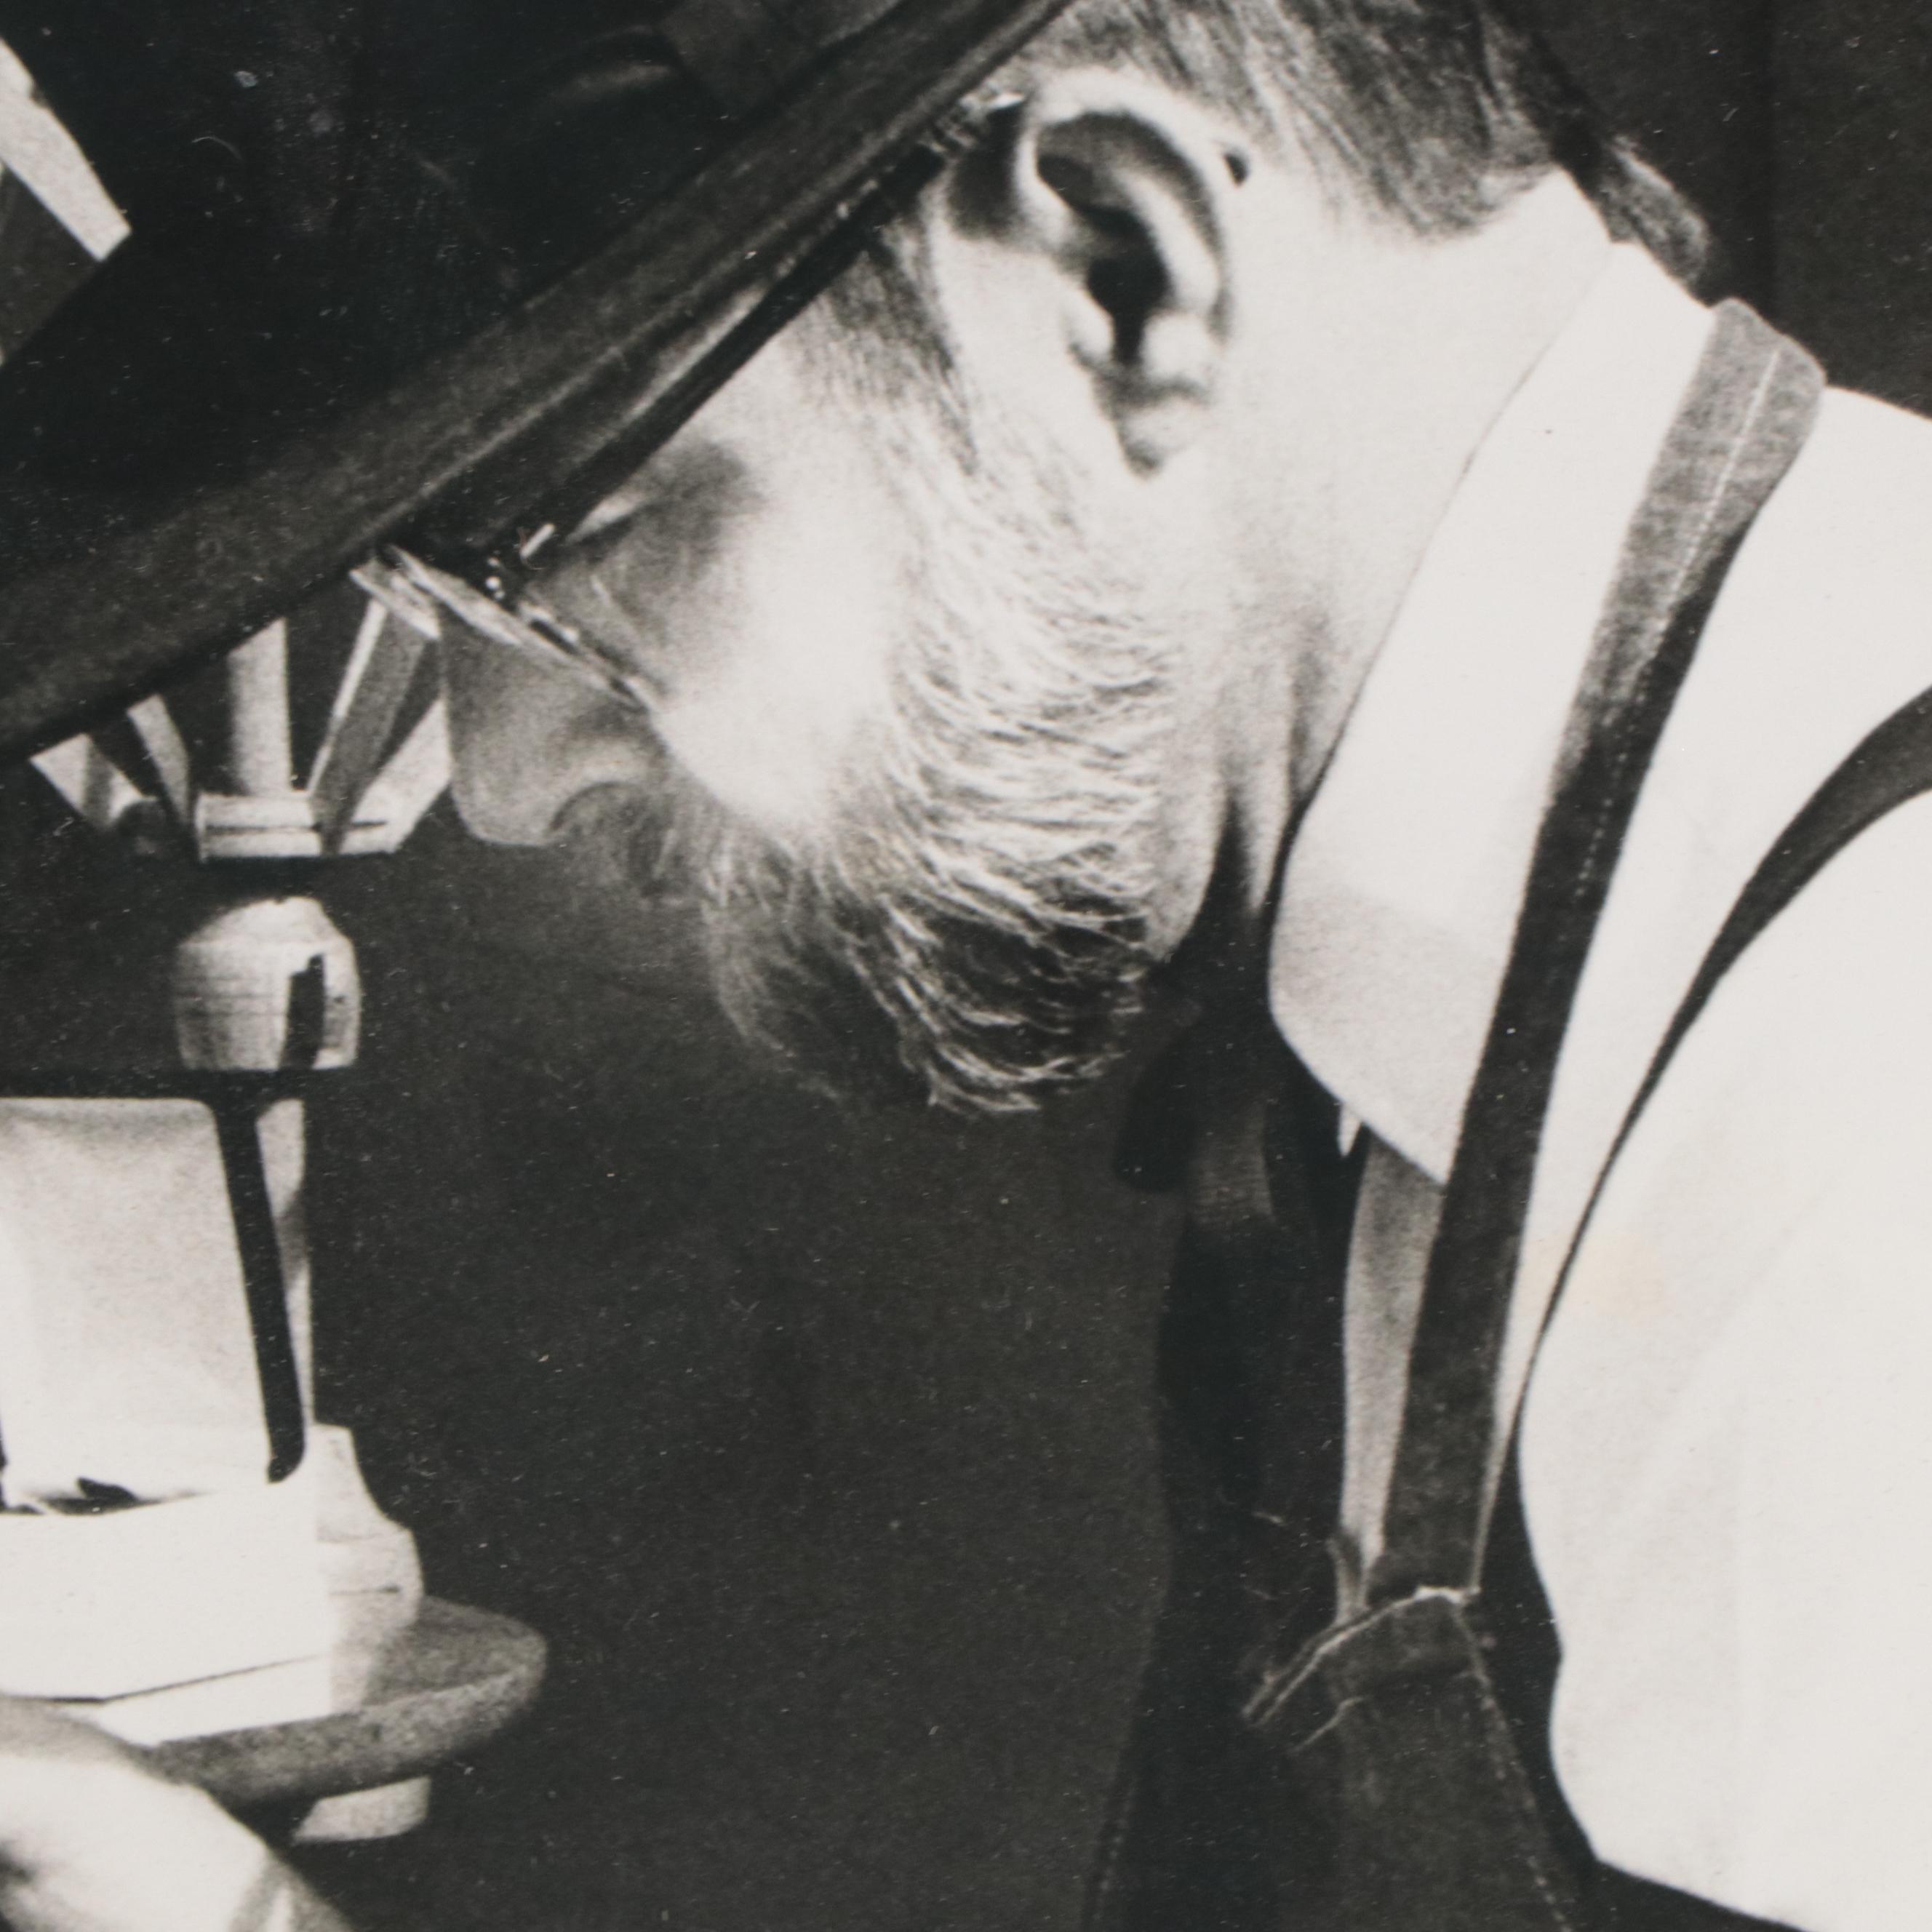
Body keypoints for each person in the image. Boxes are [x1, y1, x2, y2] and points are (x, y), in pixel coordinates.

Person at [4, 2, 1932, 1929]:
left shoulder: (1869, 1076)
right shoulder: (1464, 958)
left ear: (1114, 270)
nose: (501, 783)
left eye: (552, 549)